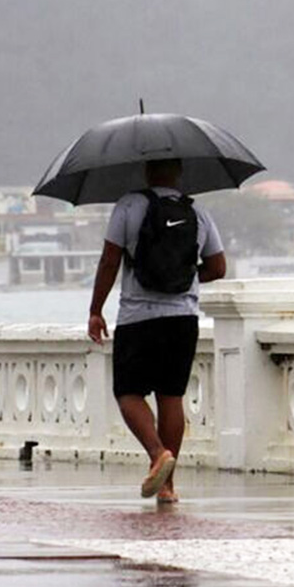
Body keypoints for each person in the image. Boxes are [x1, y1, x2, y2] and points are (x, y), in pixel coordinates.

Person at [87, 158, 226, 503]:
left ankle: (156, 455)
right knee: (171, 397)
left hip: (138, 316)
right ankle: (167, 487)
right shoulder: (199, 212)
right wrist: (185, 277)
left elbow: (109, 259)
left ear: (147, 171)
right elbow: (218, 267)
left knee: (128, 393)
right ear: (180, 171)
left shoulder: (129, 205)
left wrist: (95, 310)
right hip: (182, 318)